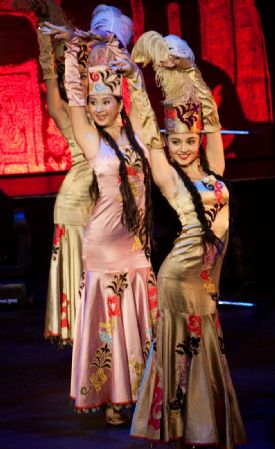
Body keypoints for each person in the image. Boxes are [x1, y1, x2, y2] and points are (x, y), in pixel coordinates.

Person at [127, 32, 247, 448]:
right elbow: (147, 133)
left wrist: (190, 73)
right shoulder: (168, 176)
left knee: (207, 346)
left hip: (208, 276)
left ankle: (201, 425)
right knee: (181, 350)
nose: (181, 148)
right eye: (175, 141)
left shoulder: (213, 167)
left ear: (199, 140)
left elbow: (211, 119)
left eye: (189, 141)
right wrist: (135, 82)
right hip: (179, 277)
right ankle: (181, 427)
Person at [55, 20, 159, 425]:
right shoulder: (90, 139)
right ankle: (114, 398)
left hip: (136, 242)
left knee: (138, 320)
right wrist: (70, 54)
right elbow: (75, 99)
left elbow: (145, 105)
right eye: (94, 103)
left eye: (106, 101)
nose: (98, 108)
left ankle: (143, 388)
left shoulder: (138, 134)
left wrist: (132, 74)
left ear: (119, 101)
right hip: (102, 243)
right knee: (108, 325)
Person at [30, 0, 94, 346]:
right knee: (81, 269)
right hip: (75, 198)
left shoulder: (100, 106)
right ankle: (82, 336)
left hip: (99, 195)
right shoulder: (67, 112)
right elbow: (53, 86)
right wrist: (46, 46)